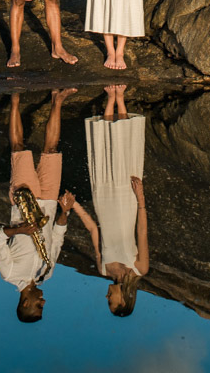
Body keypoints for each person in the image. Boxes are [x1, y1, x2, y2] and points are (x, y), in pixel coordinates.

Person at [0, 89, 78, 322]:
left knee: (19, 148)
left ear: (25, 303)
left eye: (38, 306)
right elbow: (57, 238)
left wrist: (20, 230)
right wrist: (65, 211)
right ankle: (57, 100)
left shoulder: (8, 274)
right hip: (49, 204)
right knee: (51, 150)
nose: (43, 302)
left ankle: (16, 97)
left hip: (24, 202)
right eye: (43, 306)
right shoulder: (46, 274)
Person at [70, 85, 149, 316]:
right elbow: (142, 231)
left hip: (103, 202)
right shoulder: (139, 268)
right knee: (124, 156)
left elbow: (94, 230)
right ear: (124, 300)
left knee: (104, 157)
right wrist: (140, 197)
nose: (106, 297)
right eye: (110, 301)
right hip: (127, 204)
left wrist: (74, 206)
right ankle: (121, 98)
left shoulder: (103, 269)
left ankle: (109, 99)